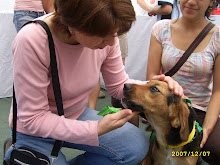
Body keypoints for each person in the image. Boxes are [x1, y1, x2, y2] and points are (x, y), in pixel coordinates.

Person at [4, 0, 183, 164]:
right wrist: (93, 129)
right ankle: (20, 146)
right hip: (34, 130)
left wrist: (152, 87)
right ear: (73, 24)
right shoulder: (32, 39)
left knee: (136, 146)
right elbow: (33, 119)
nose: (112, 42)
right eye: (103, 35)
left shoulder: (107, 35)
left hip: (77, 115)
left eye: (115, 34)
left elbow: (118, 85)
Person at [146, 0, 220, 164]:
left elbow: (218, 91)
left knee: (215, 148)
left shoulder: (217, 37)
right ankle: (142, 149)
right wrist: (166, 81)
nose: (191, 2)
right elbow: (151, 76)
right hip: (167, 105)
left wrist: (206, 130)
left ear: (212, 2)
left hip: (198, 110)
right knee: (121, 99)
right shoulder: (161, 28)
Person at [89, 33, 128, 110]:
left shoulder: (115, 40)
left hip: (119, 33)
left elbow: (118, 84)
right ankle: (91, 109)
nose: (111, 43)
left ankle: (91, 110)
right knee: (94, 71)